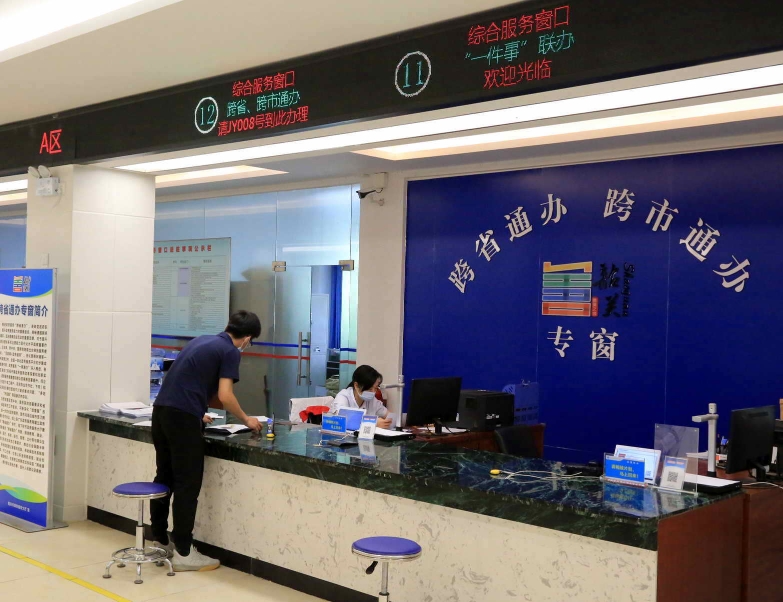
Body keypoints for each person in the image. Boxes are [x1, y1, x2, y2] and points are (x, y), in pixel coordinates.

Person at [150, 310, 263, 571]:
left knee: (164, 476)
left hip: (162, 412)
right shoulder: (230, 351)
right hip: (182, 419)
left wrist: (197, 411)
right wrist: (247, 419)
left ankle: (160, 540)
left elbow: (183, 381)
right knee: (187, 484)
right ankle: (184, 552)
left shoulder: (201, 340)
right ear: (248, 338)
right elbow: (225, 395)